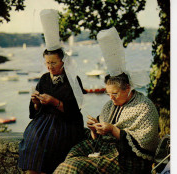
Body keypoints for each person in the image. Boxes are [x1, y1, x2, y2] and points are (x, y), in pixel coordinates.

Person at [54, 27, 159, 174]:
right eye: (108, 93)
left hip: (128, 157)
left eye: (114, 93)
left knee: (73, 167)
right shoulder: (110, 105)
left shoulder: (144, 107)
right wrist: (94, 128)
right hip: (106, 148)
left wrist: (113, 129)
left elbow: (145, 143)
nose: (111, 98)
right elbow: (97, 135)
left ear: (127, 88)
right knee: (71, 156)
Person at [18, 9, 86, 174]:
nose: (50, 67)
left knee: (50, 144)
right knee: (32, 139)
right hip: (43, 122)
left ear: (63, 62)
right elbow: (34, 113)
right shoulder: (44, 79)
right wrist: (35, 103)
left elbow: (74, 112)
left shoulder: (73, 81)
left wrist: (55, 102)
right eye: (47, 63)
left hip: (65, 124)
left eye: (54, 63)